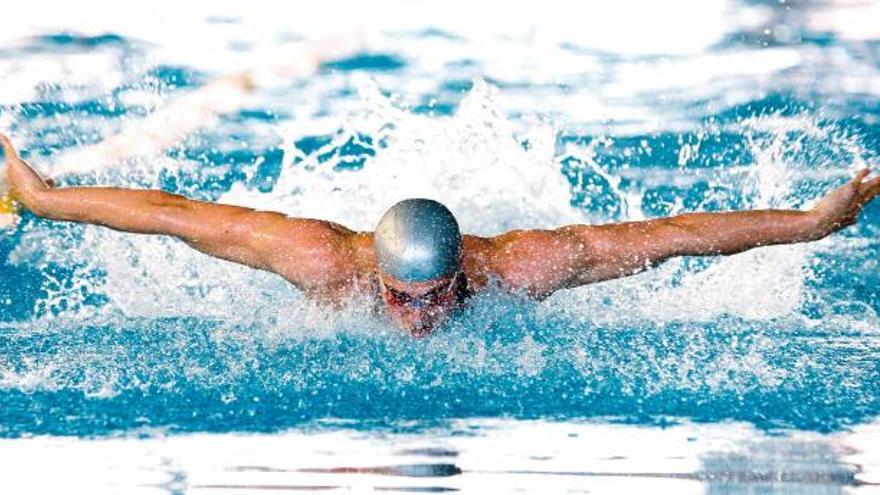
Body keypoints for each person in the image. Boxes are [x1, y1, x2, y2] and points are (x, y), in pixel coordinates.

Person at [2, 134, 879, 336]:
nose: (420, 319)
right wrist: (40, 198)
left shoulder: (521, 266)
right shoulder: (316, 257)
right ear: (375, 279)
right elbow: (172, 215)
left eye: (438, 296)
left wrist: (809, 223)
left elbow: (676, 233)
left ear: (465, 273)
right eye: (402, 298)